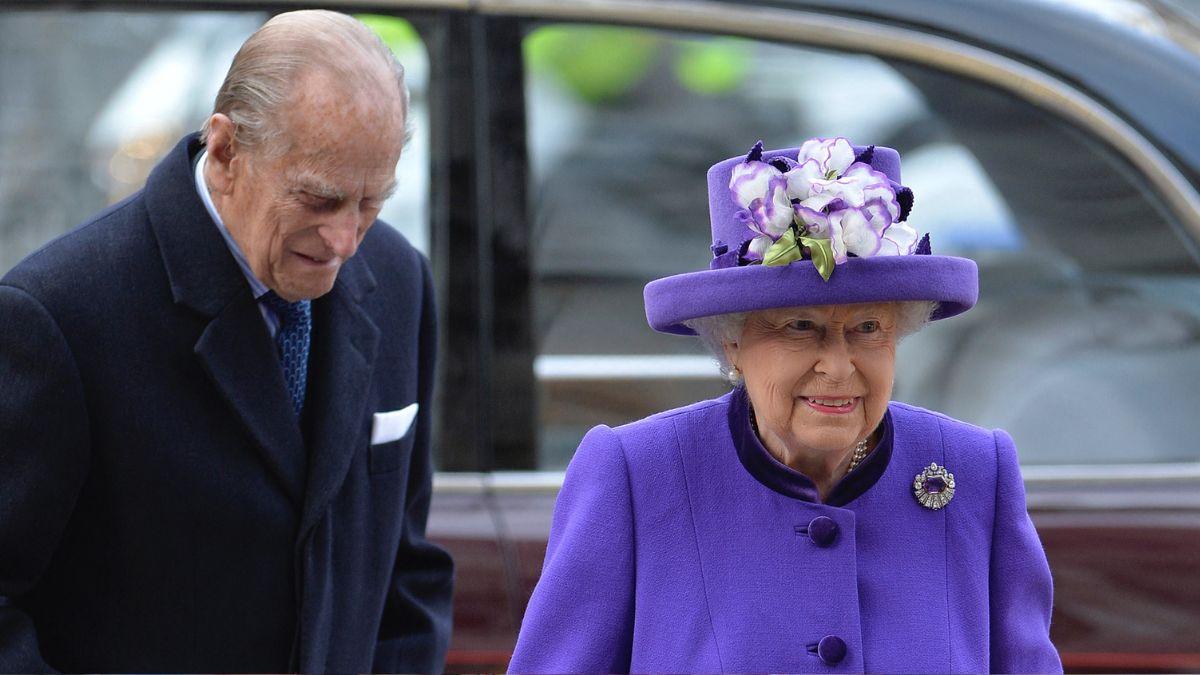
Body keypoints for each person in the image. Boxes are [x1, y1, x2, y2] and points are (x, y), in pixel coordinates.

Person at [0, 10, 452, 673]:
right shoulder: (58, 315)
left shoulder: (398, 278)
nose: (345, 242)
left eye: (371, 202)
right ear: (227, 150)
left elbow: (404, 572)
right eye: (319, 200)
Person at [509, 138, 1061, 673]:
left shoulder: (974, 471)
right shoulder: (638, 476)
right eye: (801, 328)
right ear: (732, 342)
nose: (839, 367)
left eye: (868, 328)